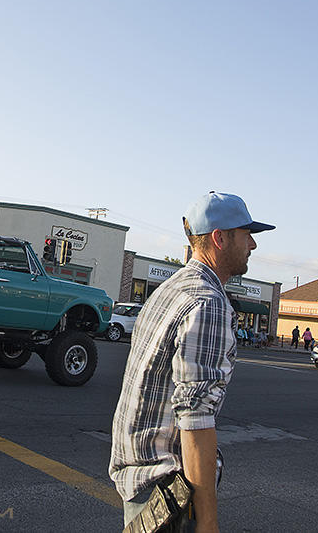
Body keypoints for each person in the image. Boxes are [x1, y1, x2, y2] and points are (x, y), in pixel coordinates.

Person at [110, 191, 275, 532]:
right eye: (247, 235)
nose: (253, 246)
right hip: (168, 488)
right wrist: (208, 522)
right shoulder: (207, 303)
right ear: (219, 238)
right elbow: (195, 418)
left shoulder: (171, 289)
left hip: (137, 476)